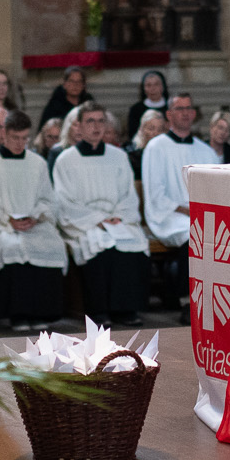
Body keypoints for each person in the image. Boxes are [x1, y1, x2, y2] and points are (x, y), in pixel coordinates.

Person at [51, 105, 151, 326]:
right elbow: (64, 201)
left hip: (117, 218)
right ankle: (99, 311)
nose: (96, 127)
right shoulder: (66, 160)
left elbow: (128, 194)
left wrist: (118, 216)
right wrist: (98, 219)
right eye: (90, 121)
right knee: (99, 246)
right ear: (79, 126)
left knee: (132, 244)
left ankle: (126, 310)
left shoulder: (119, 156)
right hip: (87, 222)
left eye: (100, 121)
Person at [0, 111, 67, 332]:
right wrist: (7, 220)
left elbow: (48, 199)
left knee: (52, 244)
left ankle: (43, 312)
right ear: (4, 134)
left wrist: (36, 215)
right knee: (12, 247)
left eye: (24, 138)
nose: (20, 143)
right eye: (15, 138)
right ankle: (17, 315)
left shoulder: (38, 163)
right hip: (3, 226)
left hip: (34, 223)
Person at [140, 93, 217, 251]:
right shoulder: (156, 147)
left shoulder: (207, 151)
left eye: (188, 108)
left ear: (194, 114)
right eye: (180, 109)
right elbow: (155, 193)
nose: (185, 113)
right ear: (169, 115)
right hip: (170, 216)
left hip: (201, 215)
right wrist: (185, 210)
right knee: (193, 234)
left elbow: (214, 192)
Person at [125, 70, 169, 141]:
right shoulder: (136, 109)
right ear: (143, 89)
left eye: (156, 84)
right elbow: (132, 134)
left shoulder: (171, 107)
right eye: (148, 85)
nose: (153, 88)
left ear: (163, 87)